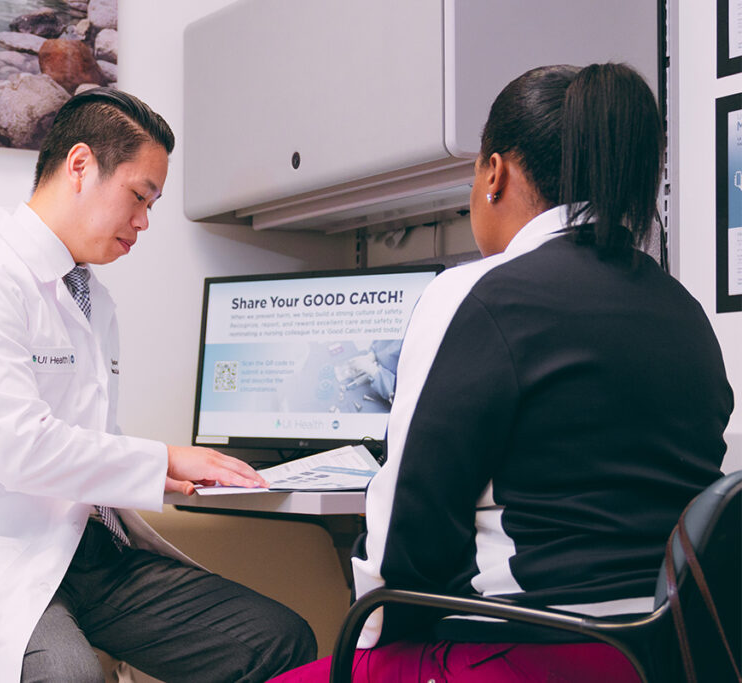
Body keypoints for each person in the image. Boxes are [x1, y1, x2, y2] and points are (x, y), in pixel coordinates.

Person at [271, 63, 733, 682]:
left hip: (524, 653)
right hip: (665, 657)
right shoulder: (684, 311)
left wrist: (371, 640)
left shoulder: (478, 294)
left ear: (495, 174)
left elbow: (409, 526)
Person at [0, 87, 316, 683]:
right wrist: (160, 461)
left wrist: (179, 475)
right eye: (139, 196)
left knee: (276, 641)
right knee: (68, 675)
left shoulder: (90, 299)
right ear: (80, 165)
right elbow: (20, 449)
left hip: (89, 553)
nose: (145, 222)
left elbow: (92, 441)